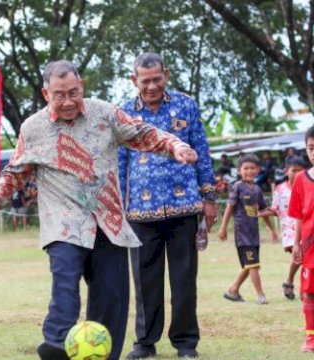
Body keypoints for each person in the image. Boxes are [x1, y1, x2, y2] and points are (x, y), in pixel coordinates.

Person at [0, 60, 199, 360]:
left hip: (108, 221)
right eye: (59, 94)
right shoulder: (33, 128)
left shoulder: (105, 113)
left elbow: (143, 133)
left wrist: (175, 145)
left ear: (82, 87)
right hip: (63, 223)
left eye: (73, 93)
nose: (67, 101)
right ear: (45, 93)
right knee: (65, 282)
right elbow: (15, 173)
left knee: (111, 298)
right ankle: (56, 344)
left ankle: (102, 356)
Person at [117, 52, 217, 360]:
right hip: (139, 212)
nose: (151, 86)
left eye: (156, 79)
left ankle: (186, 344)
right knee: (146, 282)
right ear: (135, 80)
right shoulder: (123, 112)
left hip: (184, 206)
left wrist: (209, 197)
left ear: (166, 75)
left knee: (184, 280)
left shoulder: (186, 105)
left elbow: (201, 149)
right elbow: (120, 163)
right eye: (144, 81)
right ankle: (144, 343)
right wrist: (118, 206)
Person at [218, 154, 278, 305]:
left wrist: (272, 229)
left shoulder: (257, 189)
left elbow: (263, 211)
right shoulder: (237, 187)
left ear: (258, 170)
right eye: (246, 168)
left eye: (252, 168)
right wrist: (223, 227)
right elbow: (229, 208)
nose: (249, 171)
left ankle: (233, 290)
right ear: (239, 170)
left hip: (254, 234)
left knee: (250, 264)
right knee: (253, 265)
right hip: (242, 234)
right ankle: (261, 296)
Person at [288, 126, 314, 352]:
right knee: (308, 292)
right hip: (310, 246)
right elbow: (298, 216)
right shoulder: (300, 179)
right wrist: (296, 244)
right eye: (311, 148)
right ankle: (310, 338)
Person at [271, 157, 307, 300]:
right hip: (289, 228)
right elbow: (275, 209)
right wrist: (261, 213)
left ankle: (290, 281)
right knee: (300, 256)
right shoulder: (280, 190)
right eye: (294, 170)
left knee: (305, 257)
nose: (297, 173)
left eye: (300, 170)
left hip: (305, 226)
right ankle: (301, 288)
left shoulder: (308, 185)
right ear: (286, 171)